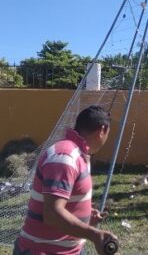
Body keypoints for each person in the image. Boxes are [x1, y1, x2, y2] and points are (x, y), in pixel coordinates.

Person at [14, 105, 118, 255]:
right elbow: (52, 214)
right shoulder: (65, 157)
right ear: (102, 130)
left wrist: (85, 216)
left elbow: (61, 203)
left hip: (67, 250)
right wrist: (94, 234)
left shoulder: (78, 155)